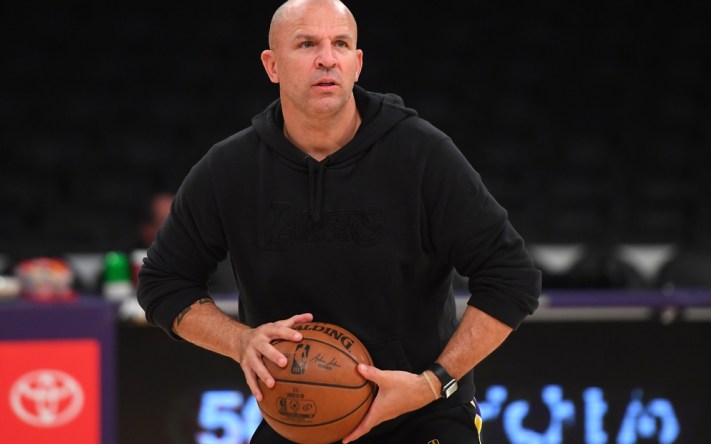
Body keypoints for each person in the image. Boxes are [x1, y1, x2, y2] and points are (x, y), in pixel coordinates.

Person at [137, 0, 541, 442]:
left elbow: (512, 277)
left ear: (357, 63)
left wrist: (432, 382)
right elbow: (163, 282)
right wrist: (239, 341)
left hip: (421, 411)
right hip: (300, 416)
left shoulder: (421, 153)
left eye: (341, 44)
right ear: (272, 65)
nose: (327, 57)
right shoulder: (229, 169)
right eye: (307, 43)